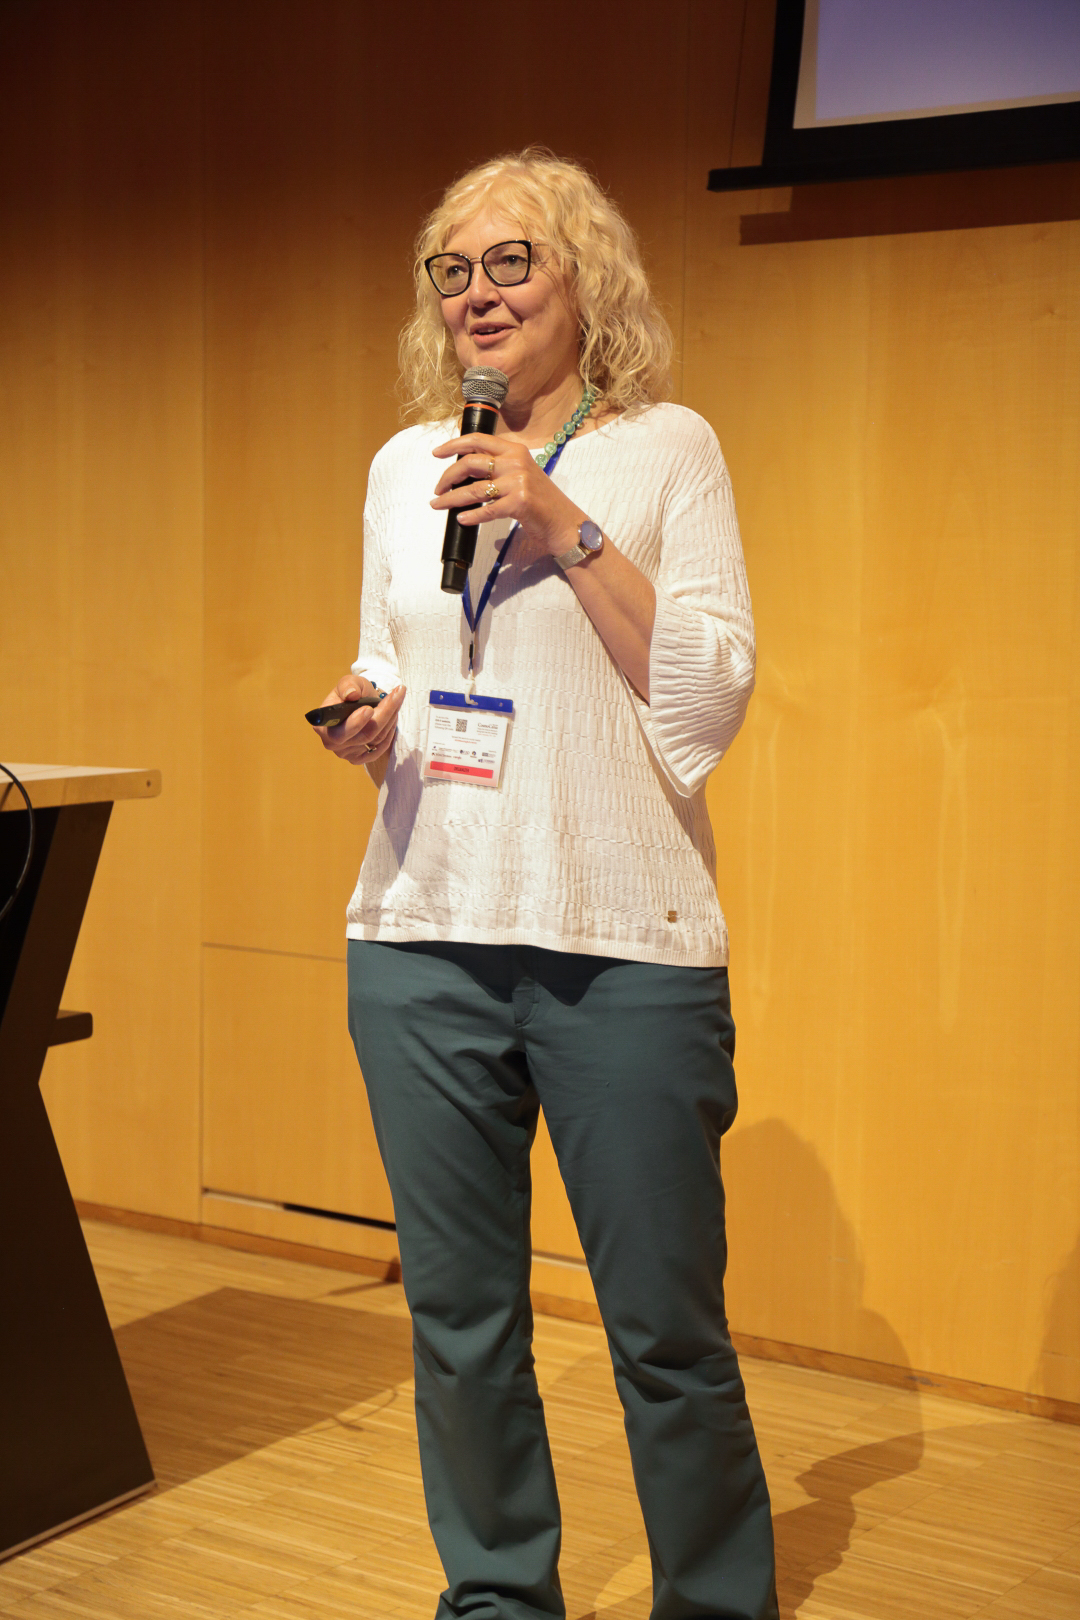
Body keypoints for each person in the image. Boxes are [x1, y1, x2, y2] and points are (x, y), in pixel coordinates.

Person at [315, 149, 779, 1620]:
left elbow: (706, 694)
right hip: (422, 935)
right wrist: (370, 711)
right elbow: (398, 653)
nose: (478, 292)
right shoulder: (404, 464)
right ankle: (499, 1598)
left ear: (586, 280)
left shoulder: (666, 448)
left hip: (621, 945)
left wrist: (559, 519)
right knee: (459, 1324)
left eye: (511, 261)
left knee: (664, 1332)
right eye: (452, 269)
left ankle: (716, 1601)